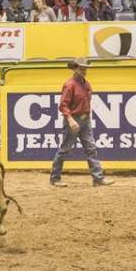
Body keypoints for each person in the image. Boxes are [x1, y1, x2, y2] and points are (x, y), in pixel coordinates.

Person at [50, 58, 113, 187]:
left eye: (85, 68)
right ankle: (55, 178)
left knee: (91, 148)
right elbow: (63, 106)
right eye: (81, 68)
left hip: (85, 120)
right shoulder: (70, 85)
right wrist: (70, 119)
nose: (84, 71)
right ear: (74, 69)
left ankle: (98, 178)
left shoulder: (86, 84)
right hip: (73, 120)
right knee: (65, 149)